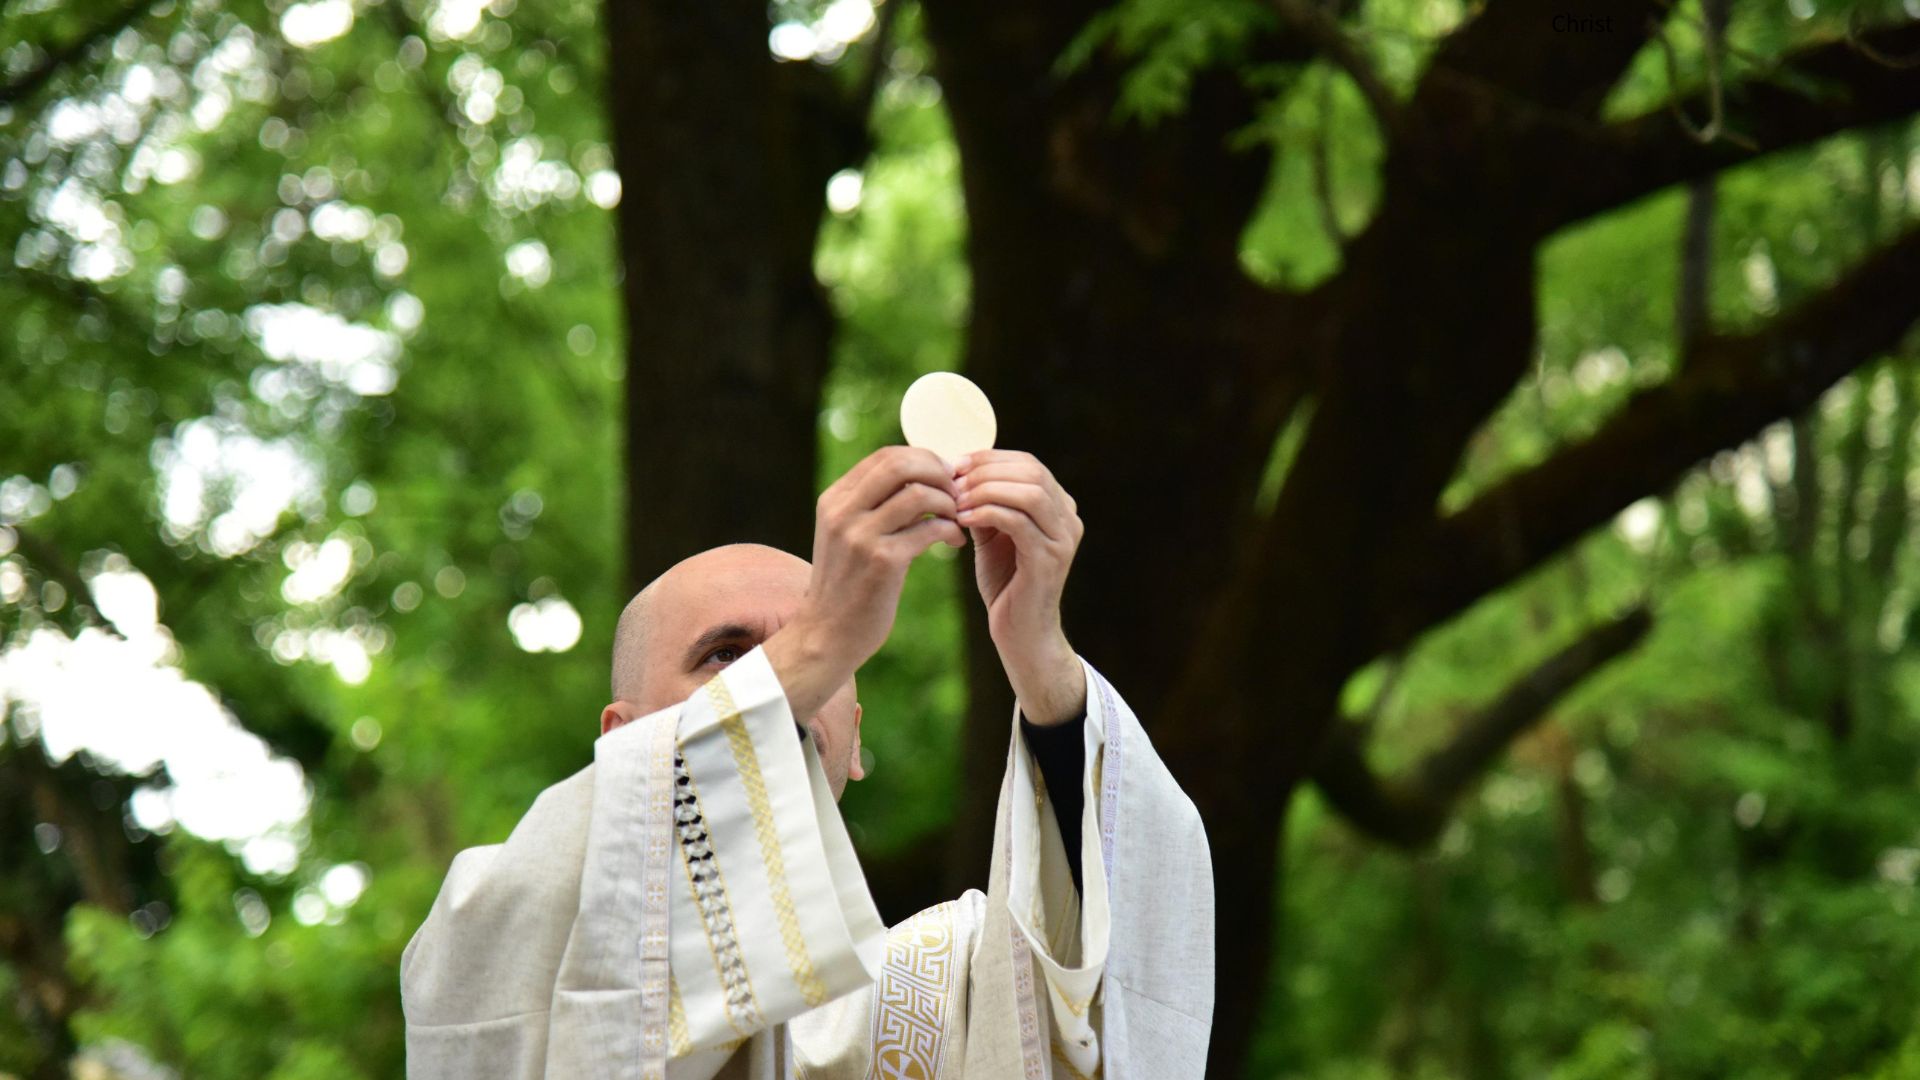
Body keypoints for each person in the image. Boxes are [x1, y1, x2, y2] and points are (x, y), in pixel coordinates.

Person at [400, 446, 1213, 1079]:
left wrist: (1043, 664)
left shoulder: (942, 994)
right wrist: (819, 639)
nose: (787, 680)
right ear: (623, 736)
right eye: (726, 654)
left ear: (855, 742)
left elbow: (1098, 1013)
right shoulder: (494, 907)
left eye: (816, 657)